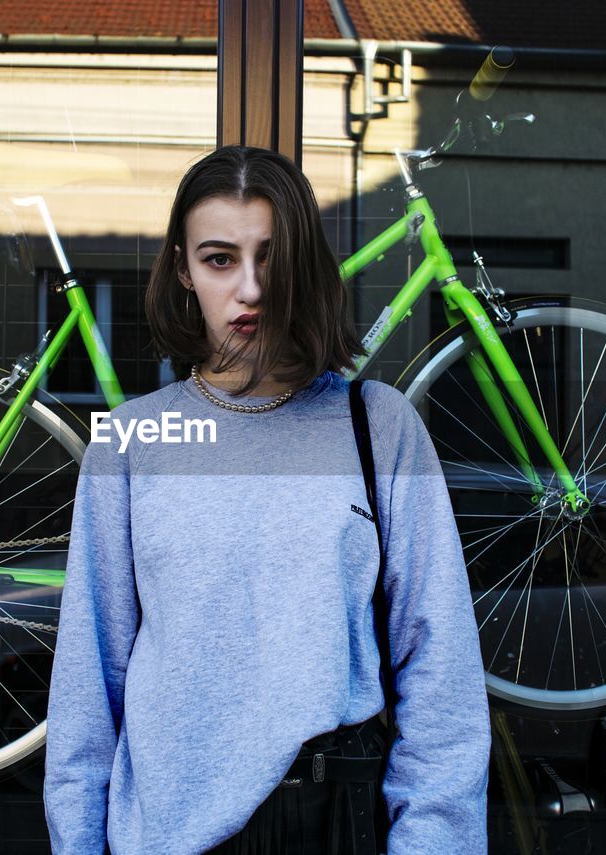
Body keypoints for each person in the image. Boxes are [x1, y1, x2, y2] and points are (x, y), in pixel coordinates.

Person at [43, 146, 490, 854]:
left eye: (271, 257)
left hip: (332, 820)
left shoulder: (378, 425)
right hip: (163, 832)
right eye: (220, 258)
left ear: (304, 266)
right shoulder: (132, 441)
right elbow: (87, 688)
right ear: (184, 269)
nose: (249, 289)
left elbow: (441, 677)